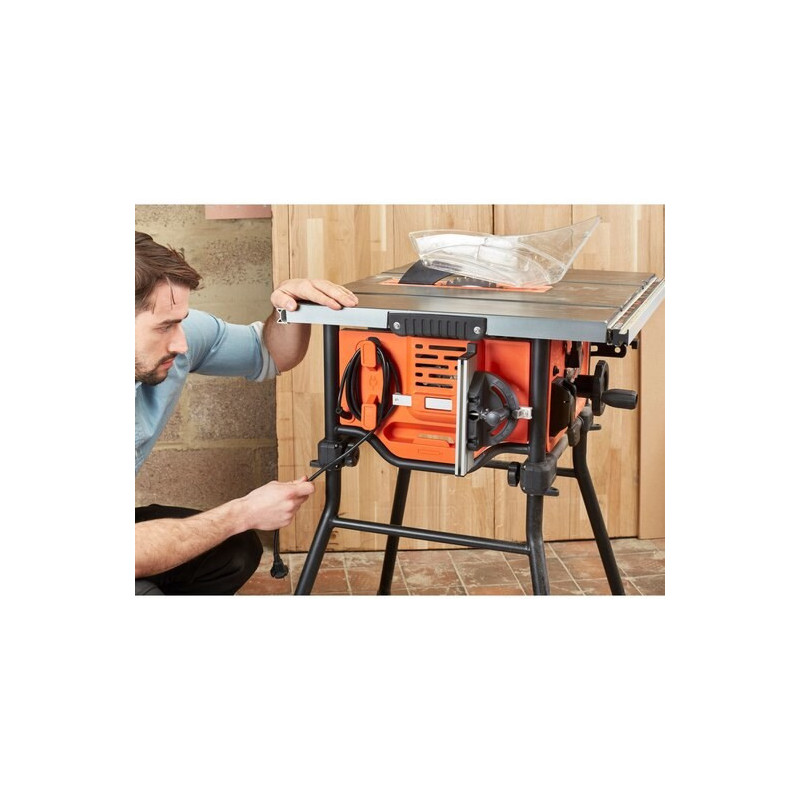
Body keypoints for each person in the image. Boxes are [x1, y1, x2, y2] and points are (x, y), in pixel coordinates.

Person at [135, 231, 358, 595]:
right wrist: (243, 512)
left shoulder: (176, 342)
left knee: (234, 550)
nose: (182, 342)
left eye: (179, 321)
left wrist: (290, 307)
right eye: (164, 327)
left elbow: (268, 352)